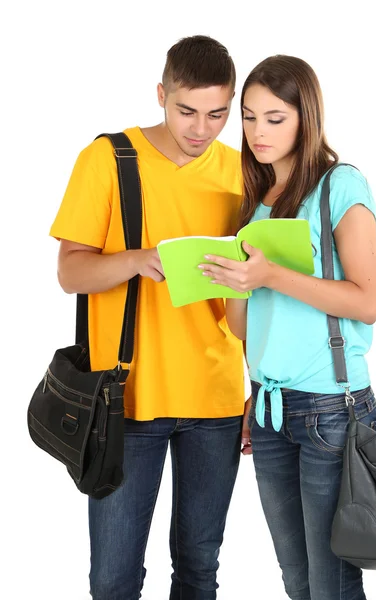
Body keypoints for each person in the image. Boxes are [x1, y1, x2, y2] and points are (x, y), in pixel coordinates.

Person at [50, 35, 249, 600]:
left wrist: (255, 387)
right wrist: (138, 259)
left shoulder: (243, 173)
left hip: (215, 398)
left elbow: (253, 304)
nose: (201, 128)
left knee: (199, 570)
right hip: (125, 399)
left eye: (217, 113)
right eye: (187, 110)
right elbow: (70, 275)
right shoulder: (109, 159)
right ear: (161, 94)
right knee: (114, 580)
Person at [199, 55, 376, 600]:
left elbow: (366, 302)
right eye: (249, 118)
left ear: (307, 117)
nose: (258, 132)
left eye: (274, 119)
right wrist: (232, 282)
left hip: (332, 408)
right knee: (298, 579)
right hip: (272, 409)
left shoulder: (340, 186)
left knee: (332, 582)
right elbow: (244, 327)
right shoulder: (255, 205)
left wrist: (272, 273)